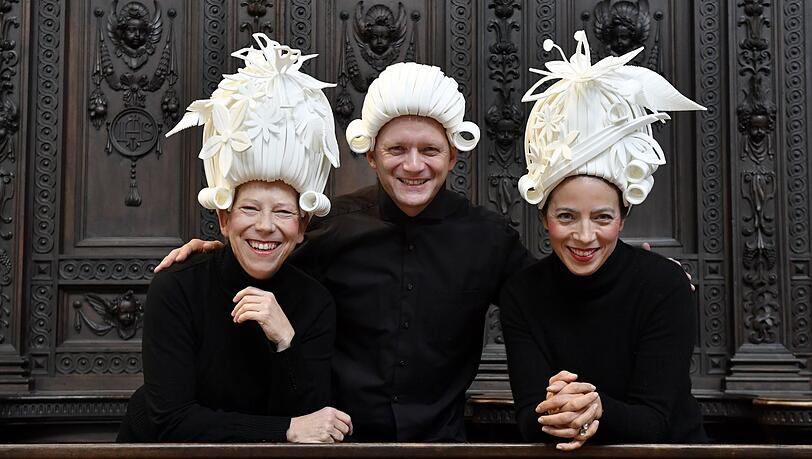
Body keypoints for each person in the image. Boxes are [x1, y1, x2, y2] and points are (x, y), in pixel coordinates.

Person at [117, 35, 352, 443]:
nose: (265, 226)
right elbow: (170, 419)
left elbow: (314, 426)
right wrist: (285, 430)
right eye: (249, 210)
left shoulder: (315, 303)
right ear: (224, 219)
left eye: (282, 212)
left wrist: (286, 339)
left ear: (301, 228)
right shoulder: (177, 287)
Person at [499, 31, 707, 451]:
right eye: (566, 217)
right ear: (543, 217)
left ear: (624, 217)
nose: (585, 235)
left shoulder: (664, 286)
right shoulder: (522, 293)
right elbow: (527, 419)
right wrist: (561, 411)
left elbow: (655, 421)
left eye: (603, 218)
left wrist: (592, 409)